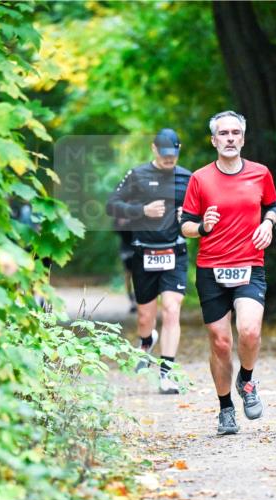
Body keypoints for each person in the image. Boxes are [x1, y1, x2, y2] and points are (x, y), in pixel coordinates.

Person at [179, 111, 276, 434]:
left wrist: (268, 223)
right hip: (211, 269)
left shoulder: (260, 174)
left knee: (249, 332)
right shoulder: (200, 178)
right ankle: (225, 410)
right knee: (221, 342)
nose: (230, 138)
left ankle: (246, 381)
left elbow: (273, 206)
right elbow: (185, 226)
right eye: (224, 133)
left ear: (243, 139)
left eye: (236, 133)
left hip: (250, 264)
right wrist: (203, 227)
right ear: (214, 141)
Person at [106, 129, 192, 394]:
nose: (169, 159)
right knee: (146, 317)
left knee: (172, 309)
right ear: (154, 149)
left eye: (174, 155)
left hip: (175, 252)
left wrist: (188, 214)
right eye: (165, 154)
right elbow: (112, 205)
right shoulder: (137, 175)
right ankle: (147, 340)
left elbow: (202, 211)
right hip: (144, 252)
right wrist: (141, 210)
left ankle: (167, 374)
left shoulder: (187, 177)